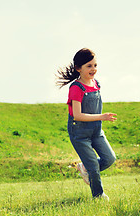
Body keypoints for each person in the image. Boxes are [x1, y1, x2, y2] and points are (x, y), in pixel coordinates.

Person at [56, 48, 117, 200]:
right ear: (78, 68)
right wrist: (102, 116)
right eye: (89, 66)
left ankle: (84, 167)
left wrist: (100, 119)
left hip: (96, 132)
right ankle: (98, 196)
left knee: (109, 158)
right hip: (80, 133)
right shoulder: (76, 88)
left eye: (95, 65)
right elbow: (77, 115)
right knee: (94, 167)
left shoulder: (96, 84)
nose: (93, 69)